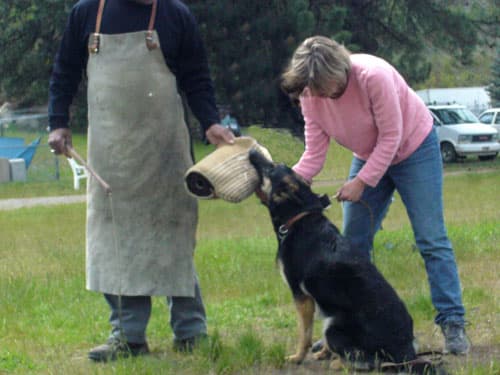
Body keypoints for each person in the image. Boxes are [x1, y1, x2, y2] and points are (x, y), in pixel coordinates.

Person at [48, 0, 234, 362]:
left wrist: (210, 121)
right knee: (117, 241)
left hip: (163, 147)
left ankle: (191, 331)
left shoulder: (175, 14)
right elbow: (64, 71)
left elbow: (197, 76)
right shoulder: (87, 12)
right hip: (111, 152)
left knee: (174, 235)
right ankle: (128, 336)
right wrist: (57, 121)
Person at [281, 36, 470, 355]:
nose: (314, 94)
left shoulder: (373, 76)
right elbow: (314, 153)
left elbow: (392, 137)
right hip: (370, 153)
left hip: (414, 149)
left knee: (431, 238)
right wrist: (289, 187)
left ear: (336, 70)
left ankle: (452, 322)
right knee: (350, 246)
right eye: (308, 88)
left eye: (320, 85)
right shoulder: (310, 95)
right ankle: (351, 328)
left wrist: (362, 182)